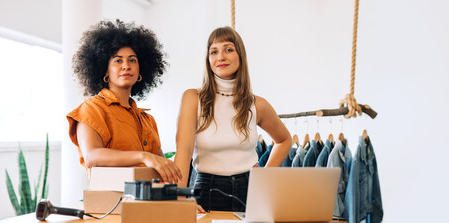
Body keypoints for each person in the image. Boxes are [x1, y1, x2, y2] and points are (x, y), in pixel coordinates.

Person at [174, 26, 292, 212]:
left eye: (228, 49)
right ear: (208, 59)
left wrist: (264, 177)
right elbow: (184, 151)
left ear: (240, 56)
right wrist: (180, 196)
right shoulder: (192, 98)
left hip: (250, 190)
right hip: (206, 190)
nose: (220, 57)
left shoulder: (257, 104)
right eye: (214, 51)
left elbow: (284, 140)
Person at [67, 19, 181, 184]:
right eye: (118, 60)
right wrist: (144, 156)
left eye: (132, 60)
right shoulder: (92, 108)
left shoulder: (147, 120)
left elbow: (164, 172)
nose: (126, 66)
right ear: (105, 70)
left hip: (150, 203)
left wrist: (182, 200)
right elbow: (92, 156)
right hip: (111, 203)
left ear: (141, 70)